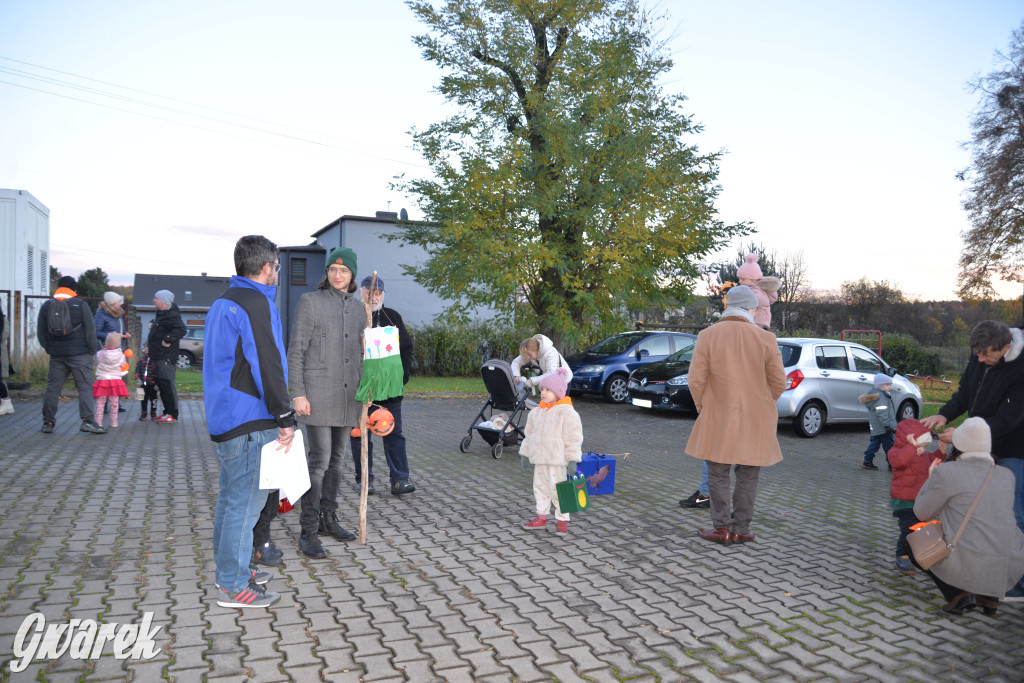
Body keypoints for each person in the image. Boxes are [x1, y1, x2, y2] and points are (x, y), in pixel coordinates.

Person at [204, 235, 296, 609]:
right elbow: (267, 363)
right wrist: (284, 414)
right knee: (245, 505)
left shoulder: (223, 301)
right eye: (276, 265)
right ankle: (233, 585)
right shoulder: (255, 303)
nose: (277, 271)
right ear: (266, 267)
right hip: (250, 419)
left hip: (227, 416)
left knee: (230, 501)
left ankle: (232, 569)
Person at [921, 320, 1024, 599]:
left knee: (1014, 515)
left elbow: (1008, 419)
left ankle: (1017, 581)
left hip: (1014, 448)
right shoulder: (980, 354)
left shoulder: (1020, 368)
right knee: (981, 512)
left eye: (986, 355)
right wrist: (944, 414)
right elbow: (965, 393)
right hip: (982, 446)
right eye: (977, 354)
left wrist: (963, 435)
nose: (980, 360)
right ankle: (982, 573)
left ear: (1006, 347)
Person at [685, 285, 787, 544]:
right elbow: (779, 383)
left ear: (727, 306)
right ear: (751, 308)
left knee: (717, 472)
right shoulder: (766, 338)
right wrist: (763, 405)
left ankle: (721, 529)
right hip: (757, 420)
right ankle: (741, 529)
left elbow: (696, 380)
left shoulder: (707, 335)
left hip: (717, 416)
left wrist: (703, 407)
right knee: (748, 474)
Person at [287, 246, 362, 559]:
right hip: (317, 396)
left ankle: (328, 518)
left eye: (344, 271)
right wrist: (297, 393)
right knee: (319, 462)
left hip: (347, 397)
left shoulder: (360, 309)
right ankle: (308, 529)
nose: (337, 275)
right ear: (327, 273)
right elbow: (296, 351)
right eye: (333, 269)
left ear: (352, 276)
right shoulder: (310, 302)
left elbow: (363, 355)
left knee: (339, 460)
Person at [912, 418, 1024, 616]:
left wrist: (930, 480)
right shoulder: (1007, 474)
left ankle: (959, 594)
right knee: (987, 536)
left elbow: (922, 513)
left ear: (960, 443)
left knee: (912, 543)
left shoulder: (947, 472)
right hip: (1010, 558)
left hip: (969, 556)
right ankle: (989, 598)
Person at [349, 275, 415, 496]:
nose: (373, 297)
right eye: (369, 292)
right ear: (361, 293)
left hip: (389, 393)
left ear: (383, 295)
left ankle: (400, 479)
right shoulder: (353, 317)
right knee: (360, 435)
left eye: (378, 293)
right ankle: (364, 480)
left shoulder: (393, 317)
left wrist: (402, 377)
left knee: (394, 434)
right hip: (362, 391)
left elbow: (406, 348)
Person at [38, 275, 106, 434]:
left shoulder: (47, 305)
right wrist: (91, 351)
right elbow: (90, 330)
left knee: (53, 389)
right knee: (84, 388)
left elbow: (41, 332)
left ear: (59, 287)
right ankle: (87, 421)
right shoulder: (80, 304)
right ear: (74, 289)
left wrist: (50, 348)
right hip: (80, 354)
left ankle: (48, 422)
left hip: (56, 355)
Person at [520, 368, 583, 535]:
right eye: (542, 389)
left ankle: (562, 520)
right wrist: (525, 454)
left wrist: (572, 459)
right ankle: (541, 517)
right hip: (540, 460)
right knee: (539, 488)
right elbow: (529, 435)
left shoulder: (567, 412)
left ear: (559, 393)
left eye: (548, 390)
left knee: (559, 491)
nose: (543, 393)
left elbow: (573, 438)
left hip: (557, 461)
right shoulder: (536, 412)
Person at [887, 418, 942, 574]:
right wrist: (912, 447)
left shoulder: (921, 455)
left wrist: (941, 452)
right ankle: (902, 557)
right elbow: (901, 462)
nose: (923, 450)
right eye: (921, 446)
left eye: (926, 447)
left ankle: (911, 557)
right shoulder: (895, 452)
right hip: (903, 502)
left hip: (919, 502)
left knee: (913, 530)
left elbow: (932, 460)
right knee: (911, 531)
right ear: (909, 441)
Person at [147, 289, 186, 424]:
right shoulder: (162, 313)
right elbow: (162, 324)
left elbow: (181, 329)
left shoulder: (172, 315)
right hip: (158, 356)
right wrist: (153, 323)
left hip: (166, 357)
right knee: (162, 386)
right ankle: (166, 412)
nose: (154, 300)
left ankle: (173, 414)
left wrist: (168, 339)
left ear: (163, 301)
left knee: (167, 385)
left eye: (156, 298)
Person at [94, 291, 131, 414]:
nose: (120, 303)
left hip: (118, 351)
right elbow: (96, 332)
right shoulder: (101, 315)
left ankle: (115, 402)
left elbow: (122, 329)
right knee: (105, 377)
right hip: (105, 351)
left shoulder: (118, 314)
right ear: (111, 303)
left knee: (117, 376)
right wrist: (113, 336)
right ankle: (103, 404)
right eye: (118, 301)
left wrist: (125, 334)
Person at [859, 373, 898, 470]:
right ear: (880, 385)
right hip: (884, 428)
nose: (890, 387)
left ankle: (867, 461)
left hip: (877, 427)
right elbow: (882, 412)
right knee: (889, 446)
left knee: (874, 444)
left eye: (890, 385)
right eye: (887, 385)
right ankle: (892, 464)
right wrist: (887, 425)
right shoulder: (881, 397)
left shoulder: (877, 395)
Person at [93, 332, 129, 428]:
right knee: (114, 403)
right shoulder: (121, 355)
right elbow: (122, 364)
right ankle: (114, 422)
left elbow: (96, 363)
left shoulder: (100, 354)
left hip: (102, 380)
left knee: (100, 403)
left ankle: (98, 422)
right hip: (115, 381)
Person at [736, 253, 781, 330]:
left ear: (754, 279)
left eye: (743, 279)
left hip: (757, 322)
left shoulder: (756, 290)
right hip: (755, 321)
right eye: (739, 279)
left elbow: (752, 300)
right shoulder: (753, 289)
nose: (740, 281)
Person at [134, 344, 160, 421]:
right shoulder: (141, 359)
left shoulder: (156, 359)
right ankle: (144, 414)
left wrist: (158, 383)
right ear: (144, 348)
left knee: (154, 399)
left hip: (153, 383)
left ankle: (153, 413)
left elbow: (158, 372)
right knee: (142, 399)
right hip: (142, 384)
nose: (148, 348)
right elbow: (137, 370)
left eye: (149, 347)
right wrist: (137, 379)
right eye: (146, 347)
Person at [0, 307, 12, 416]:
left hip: (1, 354)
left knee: (2, 378)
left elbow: (3, 336)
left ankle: (6, 402)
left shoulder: (3, 319)